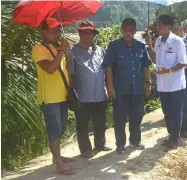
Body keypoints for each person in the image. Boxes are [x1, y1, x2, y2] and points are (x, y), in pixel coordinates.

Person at [31, 18, 76, 175]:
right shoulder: (39, 49)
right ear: (43, 32)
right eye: (53, 30)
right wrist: (61, 52)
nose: (57, 33)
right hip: (49, 97)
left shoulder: (57, 47)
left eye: (58, 30)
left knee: (62, 126)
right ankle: (59, 163)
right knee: (54, 129)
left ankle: (56, 157)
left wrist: (67, 52)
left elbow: (69, 67)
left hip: (62, 95)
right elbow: (50, 68)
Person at [104, 18, 152, 154]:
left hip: (137, 89)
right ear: (121, 29)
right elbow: (108, 67)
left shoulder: (141, 46)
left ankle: (135, 141)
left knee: (137, 116)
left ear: (135, 31)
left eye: (130, 30)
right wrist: (110, 87)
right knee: (119, 118)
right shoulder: (114, 46)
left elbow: (146, 66)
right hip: (120, 90)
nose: (127, 32)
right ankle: (120, 145)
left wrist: (148, 83)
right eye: (124, 29)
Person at [71, 21, 112, 158]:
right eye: (85, 32)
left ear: (94, 34)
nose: (88, 35)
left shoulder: (100, 50)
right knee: (82, 124)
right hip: (83, 95)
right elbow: (70, 73)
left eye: (91, 32)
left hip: (100, 93)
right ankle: (85, 149)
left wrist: (109, 87)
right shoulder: (72, 51)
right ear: (80, 33)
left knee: (100, 121)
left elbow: (106, 70)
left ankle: (100, 144)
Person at [153, 14, 187, 148]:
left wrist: (169, 70)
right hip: (162, 85)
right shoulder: (158, 41)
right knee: (166, 112)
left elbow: (183, 63)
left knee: (176, 112)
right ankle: (171, 136)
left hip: (175, 85)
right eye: (157, 26)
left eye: (160, 26)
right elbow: (156, 59)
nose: (158, 28)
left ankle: (175, 139)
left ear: (168, 27)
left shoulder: (177, 42)